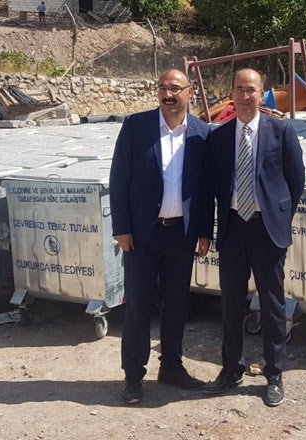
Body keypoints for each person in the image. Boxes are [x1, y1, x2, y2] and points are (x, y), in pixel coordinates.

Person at [202, 68, 305, 407]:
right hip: (233, 228)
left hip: (266, 230)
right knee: (231, 304)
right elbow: (210, 188)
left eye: (251, 90)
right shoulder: (218, 137)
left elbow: (296, 180)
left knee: (272, 305)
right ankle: (231, 369)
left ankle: (274, 374)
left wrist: (278, 217)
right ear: (231, 93)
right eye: (239, 90)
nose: (245, 96)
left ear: (262, 94)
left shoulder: (281, 131)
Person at [110, 69, 212, 405]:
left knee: (177, 305)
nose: (168, 95)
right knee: (138, 306)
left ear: (190, 92)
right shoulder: (136, 127)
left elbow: (205, 189)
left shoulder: (201, 133)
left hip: (181, 234)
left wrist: (204, 231)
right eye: (163, 88)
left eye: (175, 89)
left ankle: (171, 367)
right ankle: (133, 375)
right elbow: (119, 178)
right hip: (142, 234)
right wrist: (121, 228)